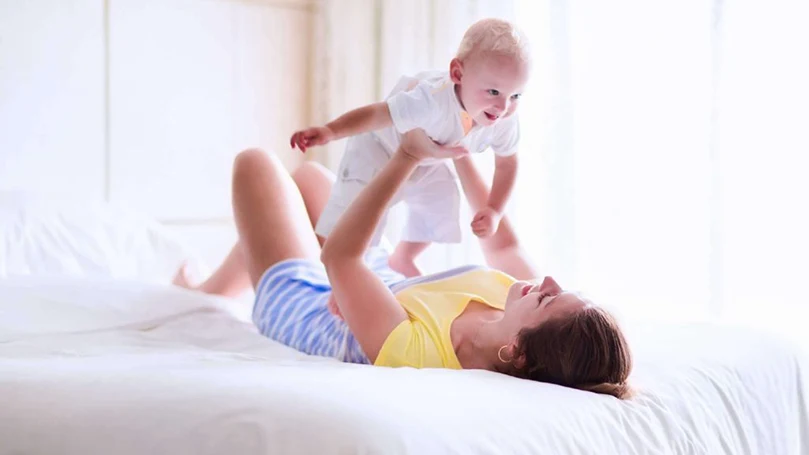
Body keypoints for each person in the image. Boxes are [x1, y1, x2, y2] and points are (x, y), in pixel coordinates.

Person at [174, 130, 634, 400]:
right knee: (310, 179)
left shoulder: (420, 356)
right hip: (376, 283)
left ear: (517, 352)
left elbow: (340, 258)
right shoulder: (513, 307)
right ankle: (214, 288)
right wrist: (461, 152)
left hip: (311, 306)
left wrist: (405, 158)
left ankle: (217, 288)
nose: (547, 280)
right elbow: (500, 236)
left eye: (549, 298)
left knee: (256, 165)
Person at [289, 18, 530, 277]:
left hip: (427, 157)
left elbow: (507, 163)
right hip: (378, 149)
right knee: (359, 213)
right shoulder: (430, 100)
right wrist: (331, 131)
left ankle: (404, 257)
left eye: (515, 95)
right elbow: (377, 115)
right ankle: (342, 277)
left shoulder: (504, 120)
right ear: (457, 74)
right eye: (493, 91)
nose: (503, 107)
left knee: (442, 204)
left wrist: (494, 209)